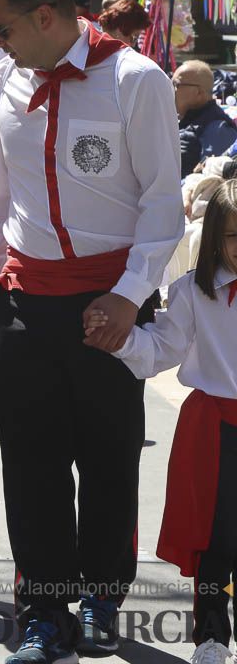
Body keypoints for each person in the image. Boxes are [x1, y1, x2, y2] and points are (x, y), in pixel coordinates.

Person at [0, 0, 183, 664]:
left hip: (108, 306)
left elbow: (162, 203)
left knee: (109, 460)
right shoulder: (3, 79)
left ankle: (101, 598)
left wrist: (128, 298)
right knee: (31, 467)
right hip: (26, 303)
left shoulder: (137, 79)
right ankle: (45, 610)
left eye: (3, 28)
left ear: (48, 16)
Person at [88, 181, 237, 664]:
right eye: (234, 235)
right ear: (214, 237)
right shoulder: (193, 292)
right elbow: (161, 350)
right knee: (215, 539)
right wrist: (121, 340)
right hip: (213, 429)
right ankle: (212, 638)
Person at [175, 61, 237, 180]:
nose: (172, 90)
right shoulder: (183, 120)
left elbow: (215, 183)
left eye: (177, 84)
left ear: (199, 92)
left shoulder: (218, 128)